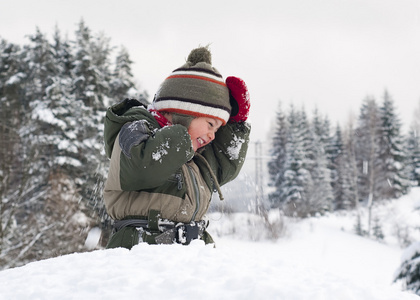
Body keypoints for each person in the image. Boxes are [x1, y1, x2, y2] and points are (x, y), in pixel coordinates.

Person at [103, 46, 251, 249]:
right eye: (210, 124)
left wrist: (236, 125)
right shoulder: (136, 129)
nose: (212, 135)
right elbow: (142, 169)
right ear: (185, 111)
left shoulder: (194, 154)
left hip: (192, 251)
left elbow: (224, 167)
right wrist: (182, 136)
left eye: (217, 130)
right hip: (141, 248)